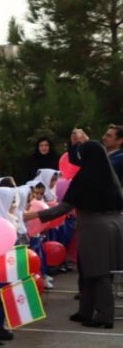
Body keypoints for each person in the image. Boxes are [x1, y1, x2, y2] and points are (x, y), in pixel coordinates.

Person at [26, 139, 123, 327]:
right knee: (88, 270)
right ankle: (85, 311)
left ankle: (104, 316)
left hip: (94, 227)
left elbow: (64, 207)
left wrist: (33, 215)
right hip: (114, 225)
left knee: (99, 272)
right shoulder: (110, 176)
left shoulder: (85, 177)